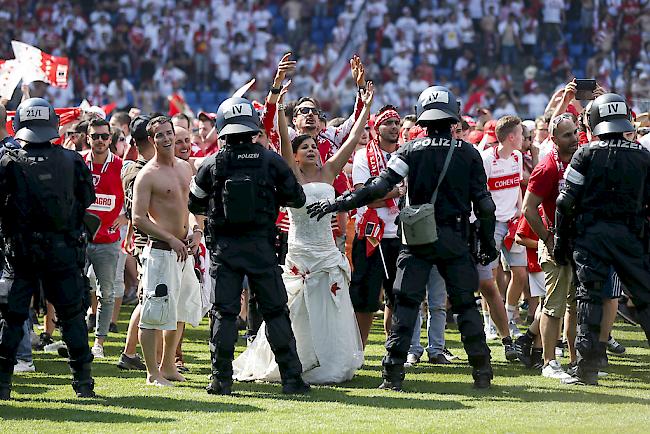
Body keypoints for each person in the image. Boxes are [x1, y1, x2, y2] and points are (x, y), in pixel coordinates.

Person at [308, 86, 498, 390]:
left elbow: (378, 187)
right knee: (465, 305)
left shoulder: (410, 150)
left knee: (405, 304)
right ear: (453, 117)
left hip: (417, 237)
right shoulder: (469, 153)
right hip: (455, 237)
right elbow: (485, 205)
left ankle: (393, 374)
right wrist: (488, 244)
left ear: (422, 119)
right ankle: (482, 371)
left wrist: (338, 203)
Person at [232, 83, 373, 385]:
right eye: (304, 147)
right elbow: (283, 137)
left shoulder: (329, 172)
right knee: (295, 309)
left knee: (331, 307)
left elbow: (350, 140)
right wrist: (280, 103)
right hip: (299, 251)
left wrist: (365, 105)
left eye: (314, 146)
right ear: (294, 157)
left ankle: (330, 362)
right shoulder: (292, 176)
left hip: (327, 250)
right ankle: (292, 359)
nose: (311, 149)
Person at [189, 97, 309, 395]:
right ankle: (292, 379)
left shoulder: (211, 163)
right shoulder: (271, 160)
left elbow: (194, 202)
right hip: (261, 248)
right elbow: (298, 198)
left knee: (224, 313)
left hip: (225, 249)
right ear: (253, 127)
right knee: (275, 312)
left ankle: (221, 379)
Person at [0, 98, 96, 399]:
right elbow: (87, 200)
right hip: (63, 251)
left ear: (18, 125)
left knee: (13, 319)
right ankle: (82, 384)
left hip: (22, 253)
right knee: (72, 318)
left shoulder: (7, 162)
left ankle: (3, 385)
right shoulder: (72, 160)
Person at [554, 93, 650, 385]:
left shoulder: (586, 154)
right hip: (631, 237)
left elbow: (564, 202)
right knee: (645, 299)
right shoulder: (643, 156)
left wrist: (560, 240)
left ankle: (587, 369)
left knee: (589, 300)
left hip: (592, 237)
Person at [132, 116, 203, 387]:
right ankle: (152, 373)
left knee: (179, 310)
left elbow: (193, 207)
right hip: (160, 253)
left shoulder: (186, 168)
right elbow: (139, 218)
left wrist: (196, 232)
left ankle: (169, 365)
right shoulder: (147, 175)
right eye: (159, 135)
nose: (166, 138)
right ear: (152, 140)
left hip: (185, 251)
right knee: (153, 312)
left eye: (168, 133)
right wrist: (170, 239)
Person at [83, 118, 125, 358]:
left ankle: (99, 343)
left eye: (104, 136)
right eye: (95, 136)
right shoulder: (79, 163)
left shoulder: (121, 166)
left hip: (108, 241)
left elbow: (137, 194)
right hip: (79, 239)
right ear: (88, 138)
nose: (99, 140)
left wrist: (127, 217)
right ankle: (76, 338)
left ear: (111, 139)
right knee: (74, 290)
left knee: (106, 293)